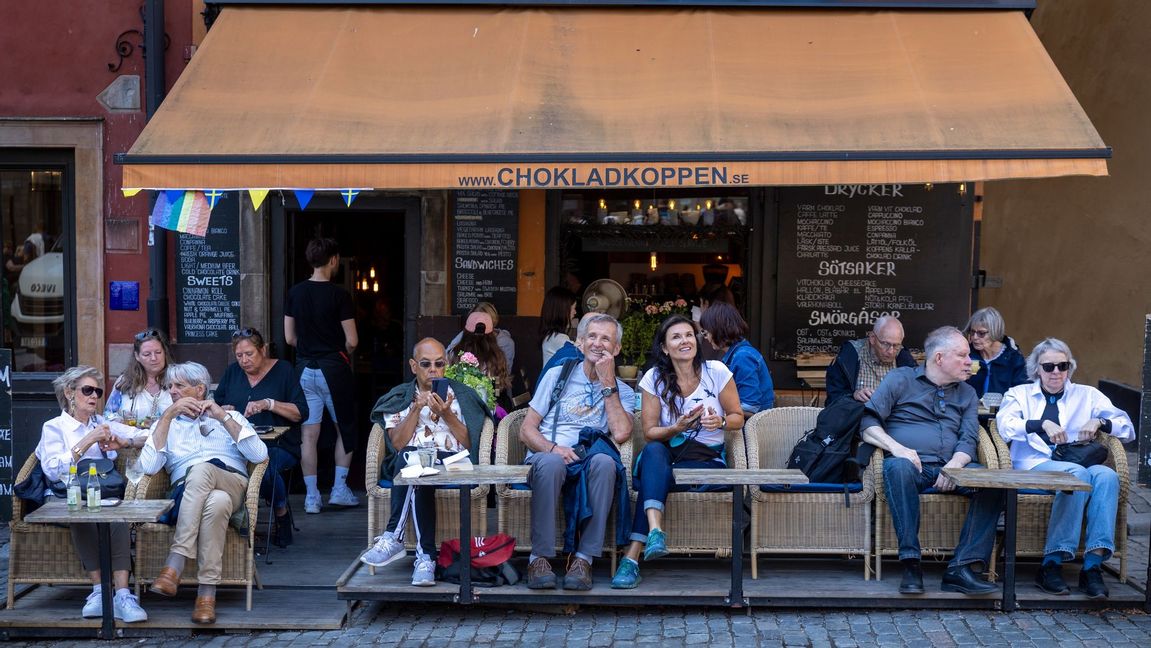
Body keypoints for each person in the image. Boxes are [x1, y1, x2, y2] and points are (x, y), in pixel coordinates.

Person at [860, 326, 1003, 596]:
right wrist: (898, 448)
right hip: (911, 465)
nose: (969, 362)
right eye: (962, 355)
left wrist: (954, 467)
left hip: (952, 466)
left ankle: (960, 568)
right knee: (897, 468)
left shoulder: (967, 394)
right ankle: (911, 563)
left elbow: (968, 439)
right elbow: (868, 423)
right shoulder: (900, 380)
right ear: (939, 358)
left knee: (993, 483)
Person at [612, 314, 744, 589]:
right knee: (653, 452)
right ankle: (655, 531)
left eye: (688, 335)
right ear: (664, 347)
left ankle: (633, 557)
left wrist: (719, 421)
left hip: (705, 461)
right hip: (668, 456)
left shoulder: (717, 371)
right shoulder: (654, 378)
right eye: (676, 337)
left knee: (653, 481)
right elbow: (649, 432)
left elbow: (737, 417)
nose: (685, 341)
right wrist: (676, 427)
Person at [996, 338, 1134, 599]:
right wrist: (1040, 424)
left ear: (1070, 367)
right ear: (1037, 369)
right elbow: (1005, 424)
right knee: (1077, 476)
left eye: (1063, 365)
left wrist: (1100, 421)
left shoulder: (1087, 395)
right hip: (1033, 466)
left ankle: (1092, 566)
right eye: (1049, 366)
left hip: (1075, 462)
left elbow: (1126, 428)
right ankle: (1052, 563)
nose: (1056, 372)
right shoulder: (1019, 394)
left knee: (1106, 476)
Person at [139, 362, 268, 624]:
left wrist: (222, 417)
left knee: (203, 471)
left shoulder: (229, 417)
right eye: (169, 387)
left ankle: (174, 563)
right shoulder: (167, 424)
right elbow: (149, 467)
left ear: (199, 390)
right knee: (215, 501)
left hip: (231, 482)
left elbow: (259, 455)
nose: (172, 392)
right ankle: (206, 596)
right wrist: (166, 417)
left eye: (179, 386)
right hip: (188, 492)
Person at [361, 338, 491, 585]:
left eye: (439, 364)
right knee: (415, 465)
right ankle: (426, 559)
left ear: (446, 365)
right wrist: (414, 409)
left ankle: (395, 536)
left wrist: (447, 414)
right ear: (413, 366)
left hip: (453, 463)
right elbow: (397, 444)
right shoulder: (400, 397)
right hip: (414, 463)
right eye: (425, 363)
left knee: (414, 464)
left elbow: (470, 443)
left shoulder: (460, 396)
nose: (433, 369)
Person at [519, 313, 635, 590]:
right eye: (592, 337)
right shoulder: (557, 375)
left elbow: (620, 433)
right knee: (552, 464)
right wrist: (553, 448)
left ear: (616, 349)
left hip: (587, 459)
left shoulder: (623, 392)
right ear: (580, 343)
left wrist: (608, 385)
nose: (598, 344)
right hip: (548, 454)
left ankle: (584, 560)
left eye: (606, 339)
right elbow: (526, 430)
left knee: (607, 464)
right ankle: (539, 558)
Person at [35, 366, 148, 622]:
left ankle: (122, 595)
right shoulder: (53, 427)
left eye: (97, 391)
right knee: (81, 511)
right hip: (66, 494)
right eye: (87, 390)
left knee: (116, 515)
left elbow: (145, 435)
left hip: (101, 492)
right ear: (69, 393)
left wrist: (124, 443)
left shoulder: (103, 424)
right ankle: (99, 591)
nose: (94, 396)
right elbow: (52, 470)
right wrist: (87, 441)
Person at [213, 327, 308, 548]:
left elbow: (301, 412)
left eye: (249, 354)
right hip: (238, 444)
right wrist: (223, 409)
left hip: (280, 444)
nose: (244, 360)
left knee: (263, 464)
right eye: (239, 356)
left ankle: (281, 513)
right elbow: (215, 405)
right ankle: (237, 522)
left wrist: (269, 404)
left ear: (262, 350)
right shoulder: (232, 373)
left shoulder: (284, 370)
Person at [284, 237, 359, 514]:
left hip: (304, 368)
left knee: (309, 434)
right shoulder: (340, 295)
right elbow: (353, 340)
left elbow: (289, 338)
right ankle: (339, 489)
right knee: (345, 428)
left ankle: (312, 497)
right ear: (333, 260)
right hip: (334, 369)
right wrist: (341, 351)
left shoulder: (295, 292)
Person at [700, 301, 775, 415]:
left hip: (753, 429)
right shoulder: (740, 352)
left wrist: (715, 412)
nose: (707, 338)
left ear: (717, 330)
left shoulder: (742, 357)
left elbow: (750, 407)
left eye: (706, 333)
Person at [825, 316, 917, 405]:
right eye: (885, 344)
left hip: (894, 419)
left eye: (896, 345)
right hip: (857, 417)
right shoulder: (850, 355)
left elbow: (919, 396)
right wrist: (853, 396)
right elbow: (833, 398)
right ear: (872, 338)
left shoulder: (904, 359)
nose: (891, 351)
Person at [104, 328, 174, 429]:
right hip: (130, 441)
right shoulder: (124, 381)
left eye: (158, 352)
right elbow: (108, 415)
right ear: (137, 356)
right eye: (147, 354)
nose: (154, 358)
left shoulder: (177, 380)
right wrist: (134, 423)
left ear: (164, 353)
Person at [963, 307, 1028, 398]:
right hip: (970, 410)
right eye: (972, 332)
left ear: (995, 332)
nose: (974, 337)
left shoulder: (1013, 358)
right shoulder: (966, 355)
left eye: (981, 333)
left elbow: (1022, 391)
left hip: (1004, 411)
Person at [451, 311, 512, 403]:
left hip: (462, 405)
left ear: (465, 332)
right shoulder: (497, 357)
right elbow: (498, 391)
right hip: (491, 407)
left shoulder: (455, 354)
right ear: (492, 334)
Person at [446, 301, 516, 369]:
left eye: (484, 319)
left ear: (492, 320)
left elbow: (504, 371)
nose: (478, 323)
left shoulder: (505, 343)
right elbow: (448, 355)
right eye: (474, 319)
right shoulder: (465, 334)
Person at [539, 286, 578, 366]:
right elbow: (579, 355)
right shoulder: (559, 338)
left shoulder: (551, 335)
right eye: (573, 308)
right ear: (563, 310)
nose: (575, 312)